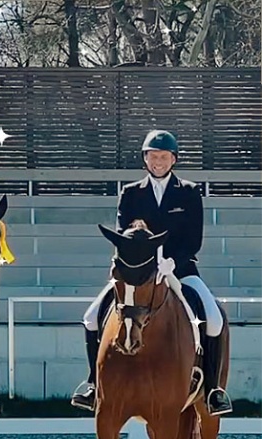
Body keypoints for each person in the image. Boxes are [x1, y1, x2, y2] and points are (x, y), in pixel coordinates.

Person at [71, 129, 232, 417]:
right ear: (145, 159)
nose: (158, 161)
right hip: (137, 272)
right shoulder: (131, 193)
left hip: (179, 270)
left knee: (215, 319)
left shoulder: (189, 192)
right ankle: (93, 384)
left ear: (174, 159)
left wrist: (171, 262)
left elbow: (194, 238)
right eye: (153, 156)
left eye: (164, 156)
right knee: (91, 316)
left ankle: (213, 391)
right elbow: (122, 235)